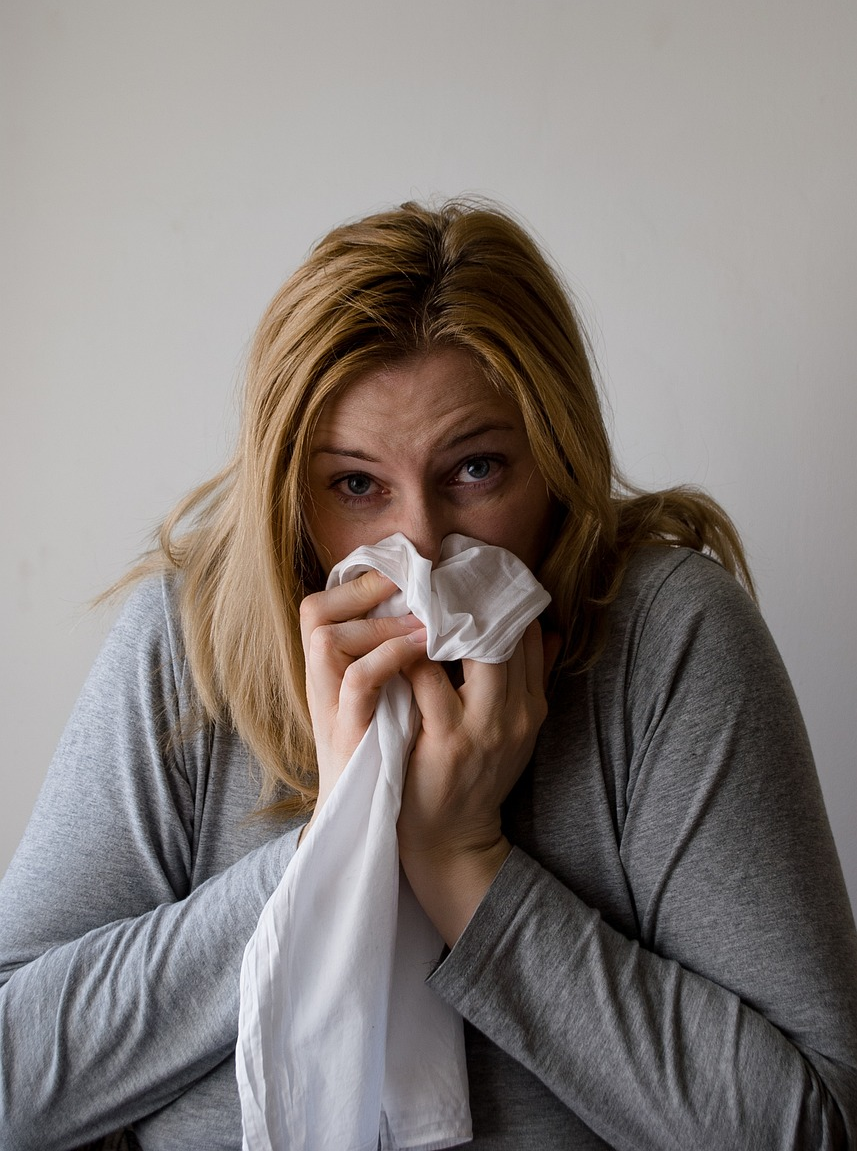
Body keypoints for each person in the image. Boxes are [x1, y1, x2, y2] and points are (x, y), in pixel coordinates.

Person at [1, 199, 856, 1151]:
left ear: (558, 463)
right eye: (356, 486)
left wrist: (462, 864)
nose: (416, 543)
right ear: (292, 493)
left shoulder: (662, 641)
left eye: (477, 470)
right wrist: (338, 847)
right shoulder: (191, 639)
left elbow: (816, 1124)